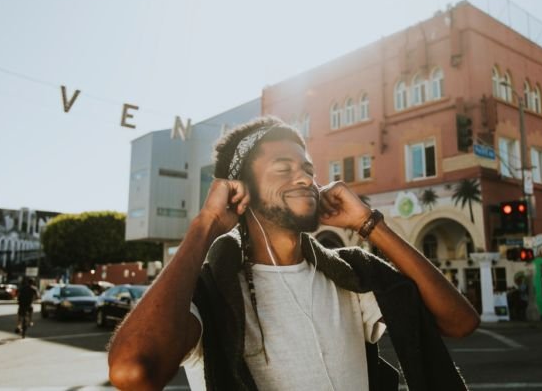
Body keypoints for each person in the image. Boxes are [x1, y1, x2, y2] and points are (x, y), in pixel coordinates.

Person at [108, 116, 480, 390]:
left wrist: (370, 224)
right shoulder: (211, 294)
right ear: (240, 190)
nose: (304, 178)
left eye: (307, 169)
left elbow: (460, 323)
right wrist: (205, 224)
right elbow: (133, 370)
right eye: (283, 168)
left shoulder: (350, 277)